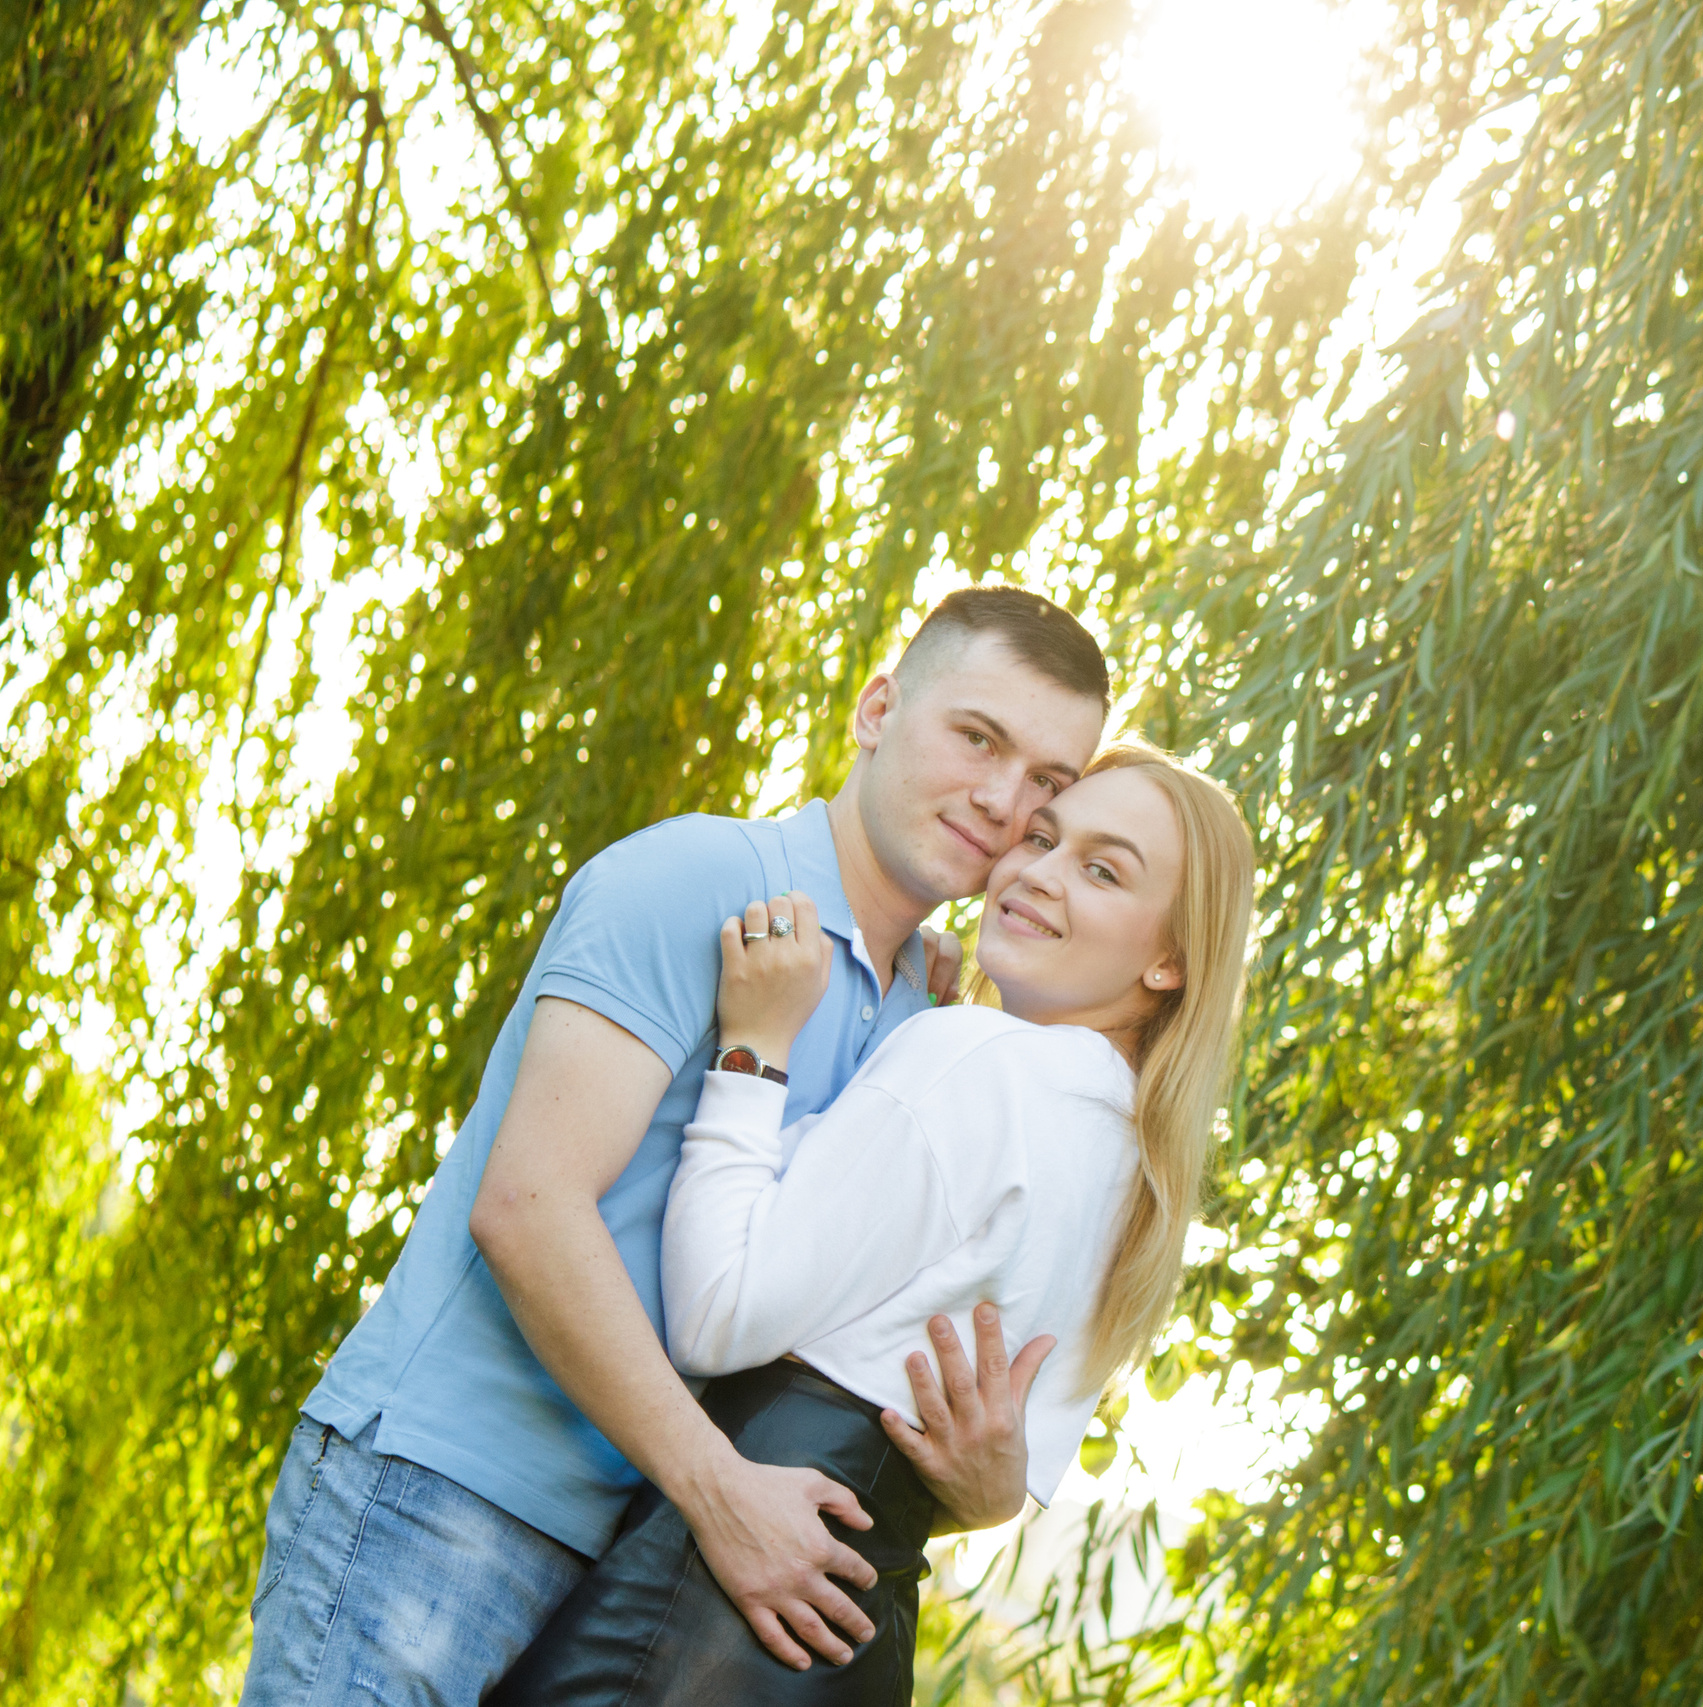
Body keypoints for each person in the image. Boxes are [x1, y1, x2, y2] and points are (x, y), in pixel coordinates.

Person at [240, 587, 1113, 1706]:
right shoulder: (697, 881)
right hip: (441, 1501)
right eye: (978, 738)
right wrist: (719, 1490)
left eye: (1046, 784)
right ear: (876, 710)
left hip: (635, 1565)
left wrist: (987, 1485)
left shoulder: (925, 1022)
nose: (1002, 800)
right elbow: (527, 1210)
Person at [488, 740, 1255, 1703]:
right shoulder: (1133, 1170)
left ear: (1171, 959)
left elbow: (717, 1314)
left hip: (718, 1604)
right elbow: (983, 1481)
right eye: (1042, 837)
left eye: (1102, 870)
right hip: (857, 1624)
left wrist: (755, 1048)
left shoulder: (983, 1060)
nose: (1036, 872)